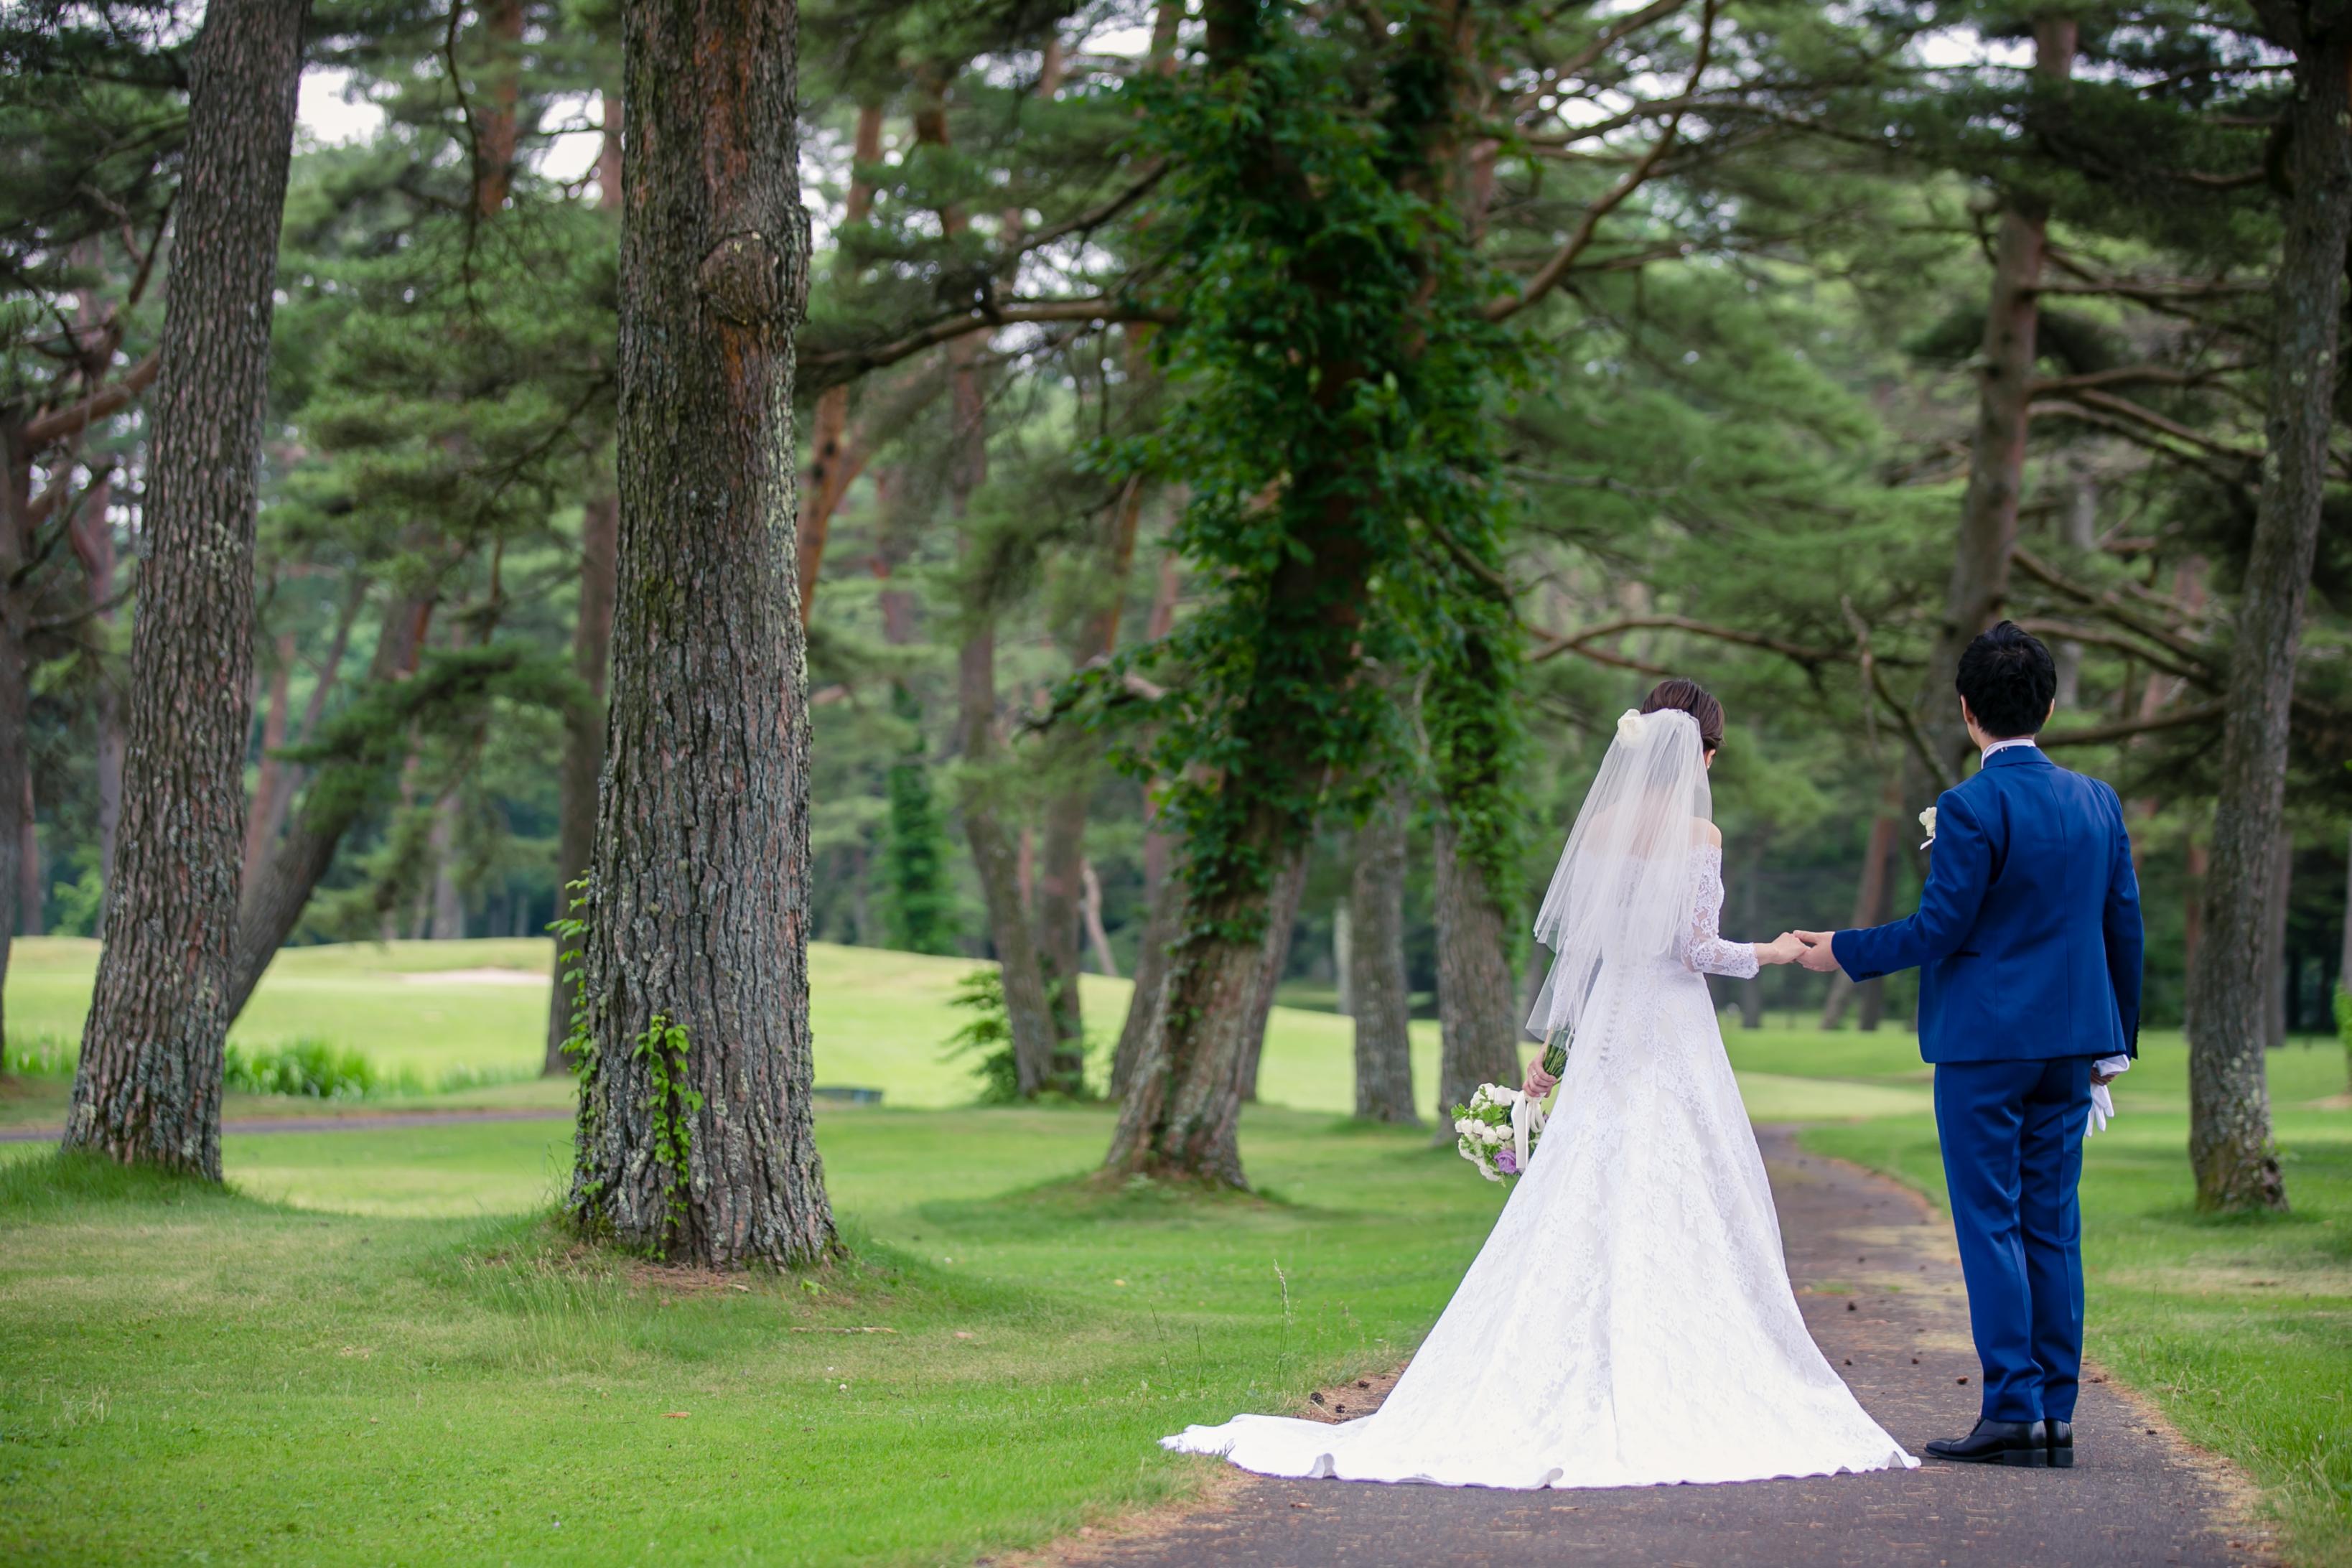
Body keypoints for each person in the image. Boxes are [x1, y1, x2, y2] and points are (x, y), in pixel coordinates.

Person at [1162, 678, 1917, 1489]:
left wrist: (1554, 1054)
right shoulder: (1700, 834)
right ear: (1700, 754)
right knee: (1684, 1181)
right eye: (1712, 753)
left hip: (1606, 1026)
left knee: (1586, 1177)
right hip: (1669, 1028)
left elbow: (1583, 954)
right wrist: (1775, 951)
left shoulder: (1602, 826)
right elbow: (1695, 950)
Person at [1795, 621, 2142, 1470]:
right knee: (2053, 1225)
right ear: (2049, 708)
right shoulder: (2099, 802)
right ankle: (2055, 1417)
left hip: (1986, 1047)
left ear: (1966, 711)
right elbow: (2123, 925)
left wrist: (1842, 949)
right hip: (2073, 1043)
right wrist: (2114, 1046)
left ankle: (2014, 1410)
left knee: (1991, 1222)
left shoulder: (1969, 806)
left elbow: (1939, 930)